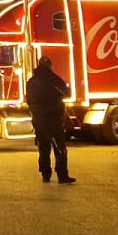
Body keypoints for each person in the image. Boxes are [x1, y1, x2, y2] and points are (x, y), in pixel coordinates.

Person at [25, 56, 74, 184]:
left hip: (38, 120)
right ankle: (62, 175)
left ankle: (45, 174)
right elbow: (66, 93)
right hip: (54, 118)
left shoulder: (31, 82)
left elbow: (29, 100)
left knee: (43, 148)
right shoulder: (54, 79)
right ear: (50, 66)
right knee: (59, 148)